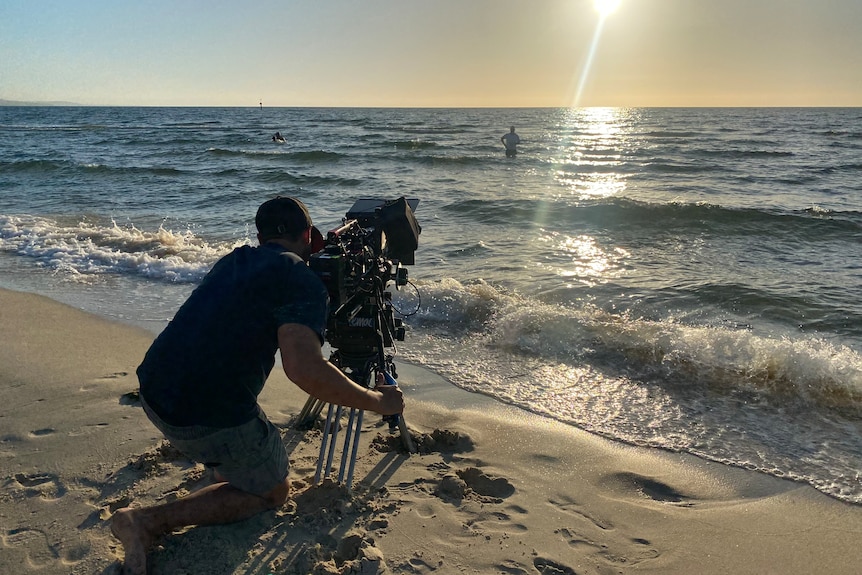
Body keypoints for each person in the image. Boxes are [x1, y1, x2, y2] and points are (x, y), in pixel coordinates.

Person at [110, 196, 404, 575]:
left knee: (233, 420)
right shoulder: (301, 280)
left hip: (154, 390)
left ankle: (225, 464)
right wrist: (379, 402)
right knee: (274, 490)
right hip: (201, 418)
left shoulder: (233, 261)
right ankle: (146, 521)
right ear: (308, 237)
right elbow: (305, 371)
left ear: (261, 236)